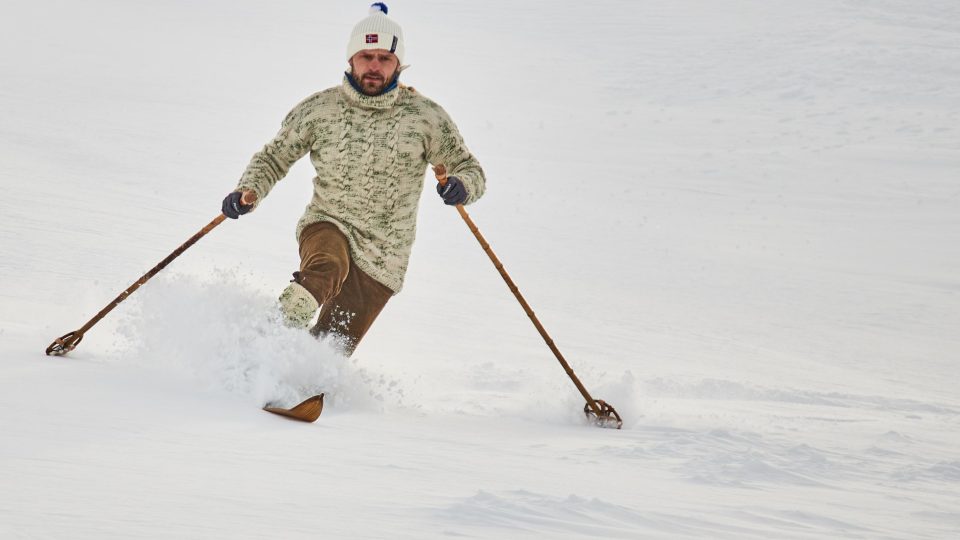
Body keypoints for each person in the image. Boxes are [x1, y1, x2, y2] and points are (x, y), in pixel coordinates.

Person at [221, 3, 486, 356]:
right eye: (366, 56)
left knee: (330, 347)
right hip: (328, 223)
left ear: (398, 64)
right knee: (325, 269)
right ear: (351, 59)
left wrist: (462, 186)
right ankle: (259, 346)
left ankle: (296, 387)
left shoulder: (426, 118)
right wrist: (248, 190)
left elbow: (469, 168)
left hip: (385, 255)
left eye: (384, 58)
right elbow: (274, 157)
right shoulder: (321, 109)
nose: (374, 66)